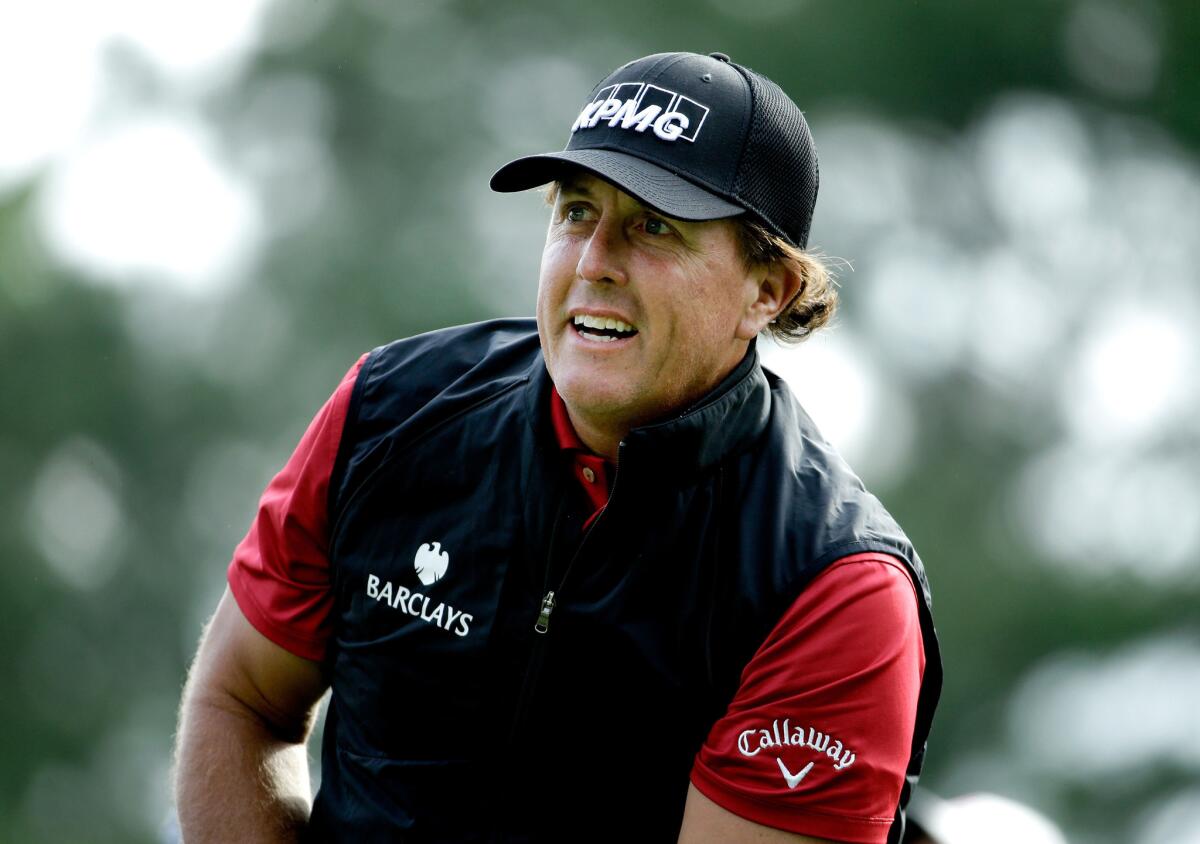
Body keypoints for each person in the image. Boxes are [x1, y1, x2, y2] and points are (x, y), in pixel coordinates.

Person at [174, 51, 942, 843]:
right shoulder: (388, 411)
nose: (592, 262)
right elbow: (242, 700)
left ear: (767, 292)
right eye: (577, 211)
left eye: (653, 226)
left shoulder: (832, 585)